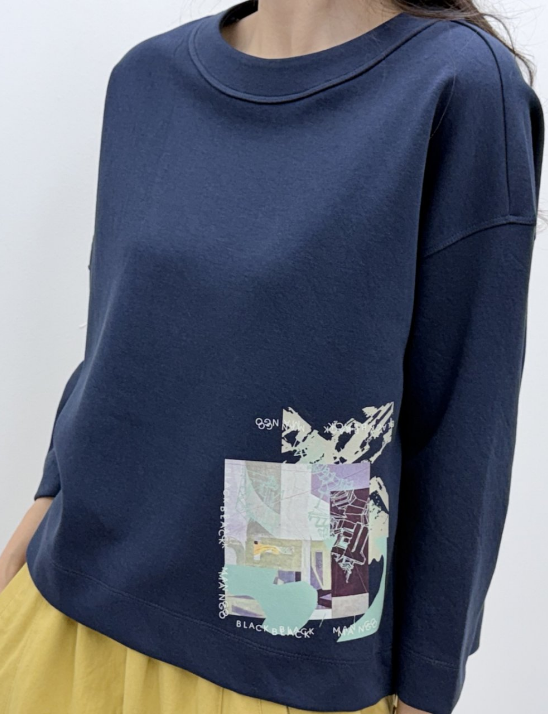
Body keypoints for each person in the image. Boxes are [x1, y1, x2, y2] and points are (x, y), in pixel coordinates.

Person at [0, 1, 544, 713]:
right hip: (64, 610)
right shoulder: (145, 77)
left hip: (283, 651)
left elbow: (465, 428)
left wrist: (428, 689)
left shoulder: (456, 84)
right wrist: (29, 530)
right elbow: (110, 342)